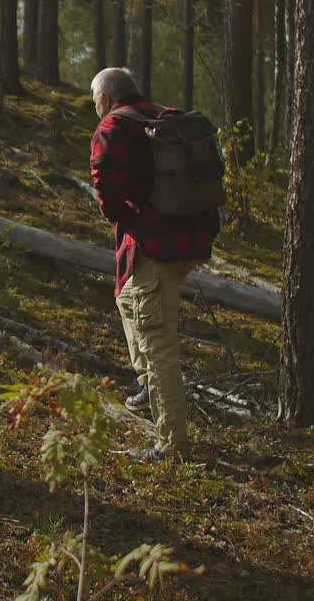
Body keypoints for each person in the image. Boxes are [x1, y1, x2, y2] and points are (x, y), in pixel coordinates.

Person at [88, 67, 219, 461]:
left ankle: (171, 446)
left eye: (94, 100)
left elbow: (104, 176)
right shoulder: (164, 116)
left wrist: (117, 214)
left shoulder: (114, 125)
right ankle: (148, 387)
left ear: (108, 98)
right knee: (128, 300)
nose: (95, 107)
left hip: (154, 243)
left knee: (157, 341)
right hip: (189, 239)